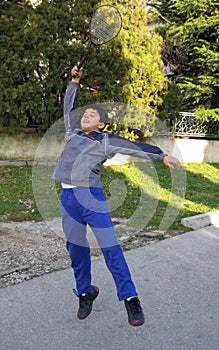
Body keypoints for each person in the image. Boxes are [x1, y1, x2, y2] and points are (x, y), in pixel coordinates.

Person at [52, 64, 181, 327]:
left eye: (91, 115)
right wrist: (74, 82)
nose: (85, 116)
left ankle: (130, 298)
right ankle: (86, 292)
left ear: (101, 123)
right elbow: (68, 106)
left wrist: (161, 156)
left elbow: (135, 147)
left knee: (111, 249)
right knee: (76, 250)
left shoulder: (106, 141)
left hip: (92, 199)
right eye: (84, 113)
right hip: (68, 200)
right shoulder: (72, 132)